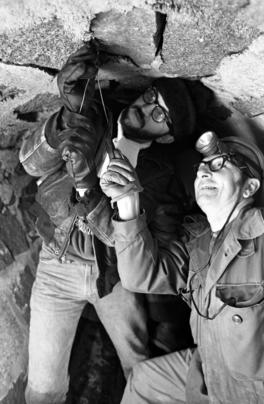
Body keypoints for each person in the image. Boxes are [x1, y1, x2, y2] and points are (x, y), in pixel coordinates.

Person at [19, 38, 197, 404]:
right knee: (43, 389)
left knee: (141, 370)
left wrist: (88, 192)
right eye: (151, 97)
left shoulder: (162, 179)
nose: (147, 108)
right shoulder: (92, 115)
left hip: (114, 278)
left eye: (160, 115)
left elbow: (141, 248)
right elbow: (28, 163)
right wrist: (64, 118)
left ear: (166, 136)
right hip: (57, 267)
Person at [100, 131, 264, 403]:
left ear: (249, 188)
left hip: (252, 392)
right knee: (145, 380)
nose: (203, 172)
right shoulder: (198, 245)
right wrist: (127, 201)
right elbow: (139, 277)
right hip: (205, 372)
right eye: (201, 168)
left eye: (219, 165)